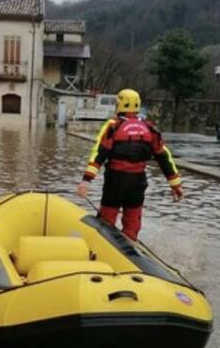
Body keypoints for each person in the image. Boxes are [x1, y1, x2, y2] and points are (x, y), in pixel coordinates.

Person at [77, 89, 183, 241]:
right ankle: (130, 248)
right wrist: (175, 185)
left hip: (115, 182)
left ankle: (103, 248)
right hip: (137, 183)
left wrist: (86, 180)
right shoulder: (150, 129)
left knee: (107, 219)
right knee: (132, 221)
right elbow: (164, 158)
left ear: (119, 105)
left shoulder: (113, 126)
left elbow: (98, 154)